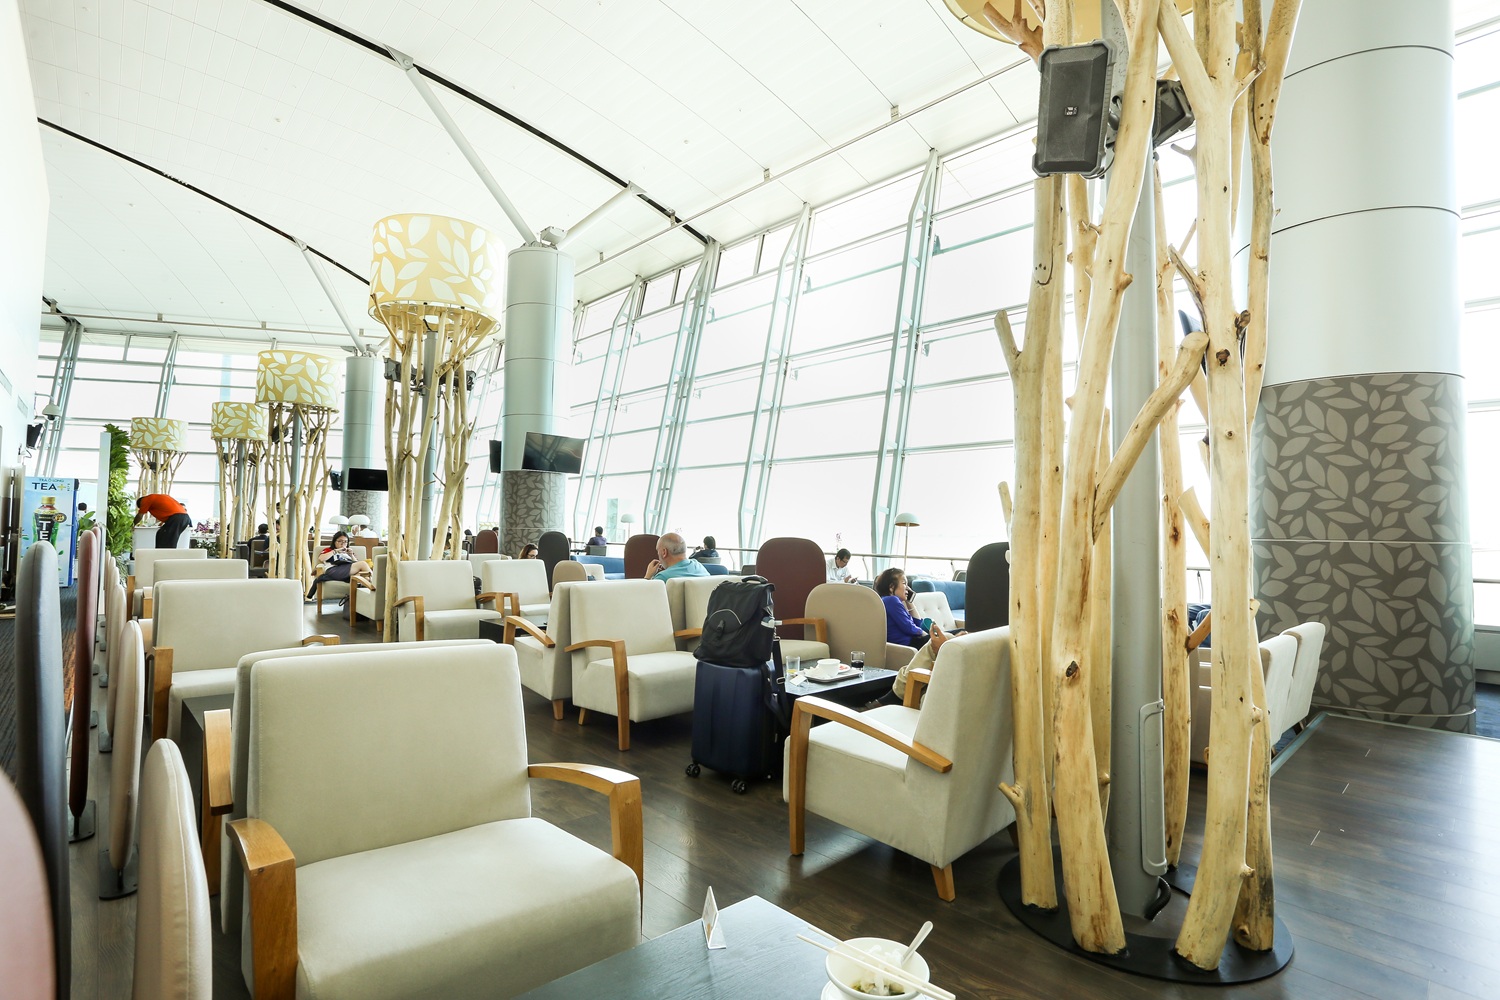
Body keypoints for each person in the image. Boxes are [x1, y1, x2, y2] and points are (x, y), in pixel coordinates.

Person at [308, 530, 371, 600]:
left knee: (366, 578)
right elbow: (321, 558)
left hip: (347, 572)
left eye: (345, 541)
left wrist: (351, 555)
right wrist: (336, 551)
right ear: (334, 542)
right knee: (363, 564)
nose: (343, 544)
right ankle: (376, 584)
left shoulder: (348, 553)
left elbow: (356, 565)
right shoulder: (329, 550)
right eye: (340, 541)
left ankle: (361, 600)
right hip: (334, 570)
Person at [874, 567, 929, 649]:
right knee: (946, 639)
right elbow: (908, 627)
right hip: (908, 645)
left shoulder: (889, 601)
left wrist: (909, 602)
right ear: (892, 587)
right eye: (904, 583)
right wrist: (927, 635)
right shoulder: (891, 600)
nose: (907, 588)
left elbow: (918, 624)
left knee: (948, 636)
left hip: (911, 642)